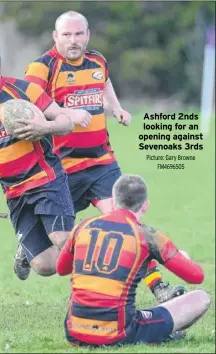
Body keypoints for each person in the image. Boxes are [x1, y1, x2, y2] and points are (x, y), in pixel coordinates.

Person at [23, 11, 185, 303]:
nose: (73, 41)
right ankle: (29, 244)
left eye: (79, 34)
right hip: (61, 170)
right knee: (48, 257)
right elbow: (30, 99)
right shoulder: (42, 66)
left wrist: (117, 108)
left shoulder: (97, 60)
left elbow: (104, 84)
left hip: (102, 164)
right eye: (67, 35)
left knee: (128, 225)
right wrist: (66, 113)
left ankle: (158, 287)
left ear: (88, 34)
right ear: (55, 37)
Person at [0, 40, 92, 279]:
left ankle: (95, 292)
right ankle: (62, 242)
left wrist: (45, 126)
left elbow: (66, 121)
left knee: (62, 239)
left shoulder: (23, 91)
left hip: (46, 180)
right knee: (45, 266)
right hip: (14, 193)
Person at [56, 174, 210, 347]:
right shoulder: (149, 236)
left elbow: (61, 268)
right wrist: (184, 257)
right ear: (145, 206)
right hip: (118, 334)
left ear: (113, 201)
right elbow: (196, 276)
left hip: (74, 332)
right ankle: (164, 332)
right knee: (201, 298)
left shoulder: (83, 226)